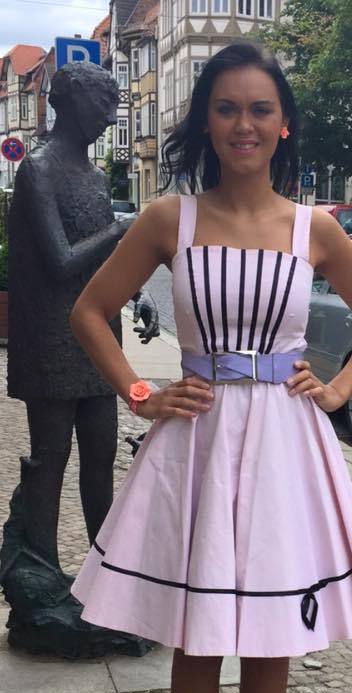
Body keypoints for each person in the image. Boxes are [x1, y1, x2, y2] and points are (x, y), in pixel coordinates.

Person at [69, 43, 352, 693]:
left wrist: (336, 391)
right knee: (197, 635)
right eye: (226, 108)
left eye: (259, 109)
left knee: (268, 637)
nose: (243, 124)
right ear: (206, 122)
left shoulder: (312, 228)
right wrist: (141, 393)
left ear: (282, 124)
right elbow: (90, 311)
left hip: (284, 444)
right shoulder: (167, 219)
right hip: (198, 441)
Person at [6, 61, 158, 570]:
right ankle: (42, 571)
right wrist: (121, 230)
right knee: (50, 460)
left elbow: (106, 263)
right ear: (70, 104)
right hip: (50, 337)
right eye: (103, 105)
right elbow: (61, 261)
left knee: (100, 459)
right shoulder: (39, 169)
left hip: (97, 340)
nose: (110, 117)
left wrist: (136, 292)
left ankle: (104, 573)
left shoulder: (93, 176)